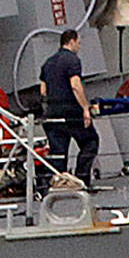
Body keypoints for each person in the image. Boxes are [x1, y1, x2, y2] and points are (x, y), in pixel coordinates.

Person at [39, 29, 99, 191]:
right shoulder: (72, 60)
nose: (79, 46)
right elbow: (75, 86)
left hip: (52, 114)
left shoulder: (48, 63)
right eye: (78, 43)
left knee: (58, 152)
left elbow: (43, 90)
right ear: (71, 41)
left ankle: (57, 184)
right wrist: (85, 108)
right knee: (90, 142)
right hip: (71, 112)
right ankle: (81, 179)